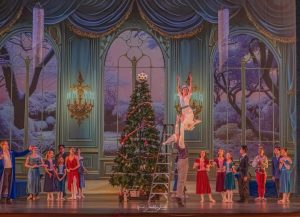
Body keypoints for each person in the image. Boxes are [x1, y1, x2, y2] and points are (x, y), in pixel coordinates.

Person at [163, 115, 188, 207]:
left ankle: (179, 196)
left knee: (182, 180)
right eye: (175, 135)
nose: (176, 133)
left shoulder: (177, 140)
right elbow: (181, 131)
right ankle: (179, 197)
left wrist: (177, 121)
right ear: (176, 138)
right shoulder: (180, 142)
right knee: (181, 181)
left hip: (181, 161)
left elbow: (177, 130)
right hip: (183, 162)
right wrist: (182, 121)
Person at [175, 74, 201, 148]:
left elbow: (190, 89)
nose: (185, 91)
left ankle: (193, 121)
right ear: (182, 90)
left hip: (188, 110)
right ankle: (181, 142)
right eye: (184, 90)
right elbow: (178, 88)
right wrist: (178, 80)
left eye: (186, 90)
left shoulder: (188, 96)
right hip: (183, 111)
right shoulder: (180, 95)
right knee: (182, 125)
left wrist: (191, 80)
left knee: (185, 123)